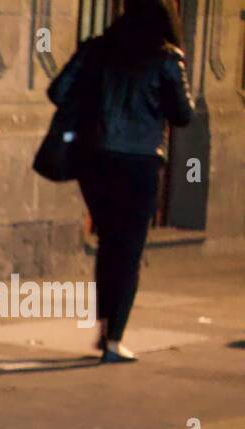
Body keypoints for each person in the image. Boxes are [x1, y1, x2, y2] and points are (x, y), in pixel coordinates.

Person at [48, 0, 195, 363]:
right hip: (139, 163)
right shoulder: (166, 60)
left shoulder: (96, 49)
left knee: (110, 241)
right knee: (127, 251)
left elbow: (57, 91)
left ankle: (103, 328)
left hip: (94, 160)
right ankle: (114, 339)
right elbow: (183, 115)